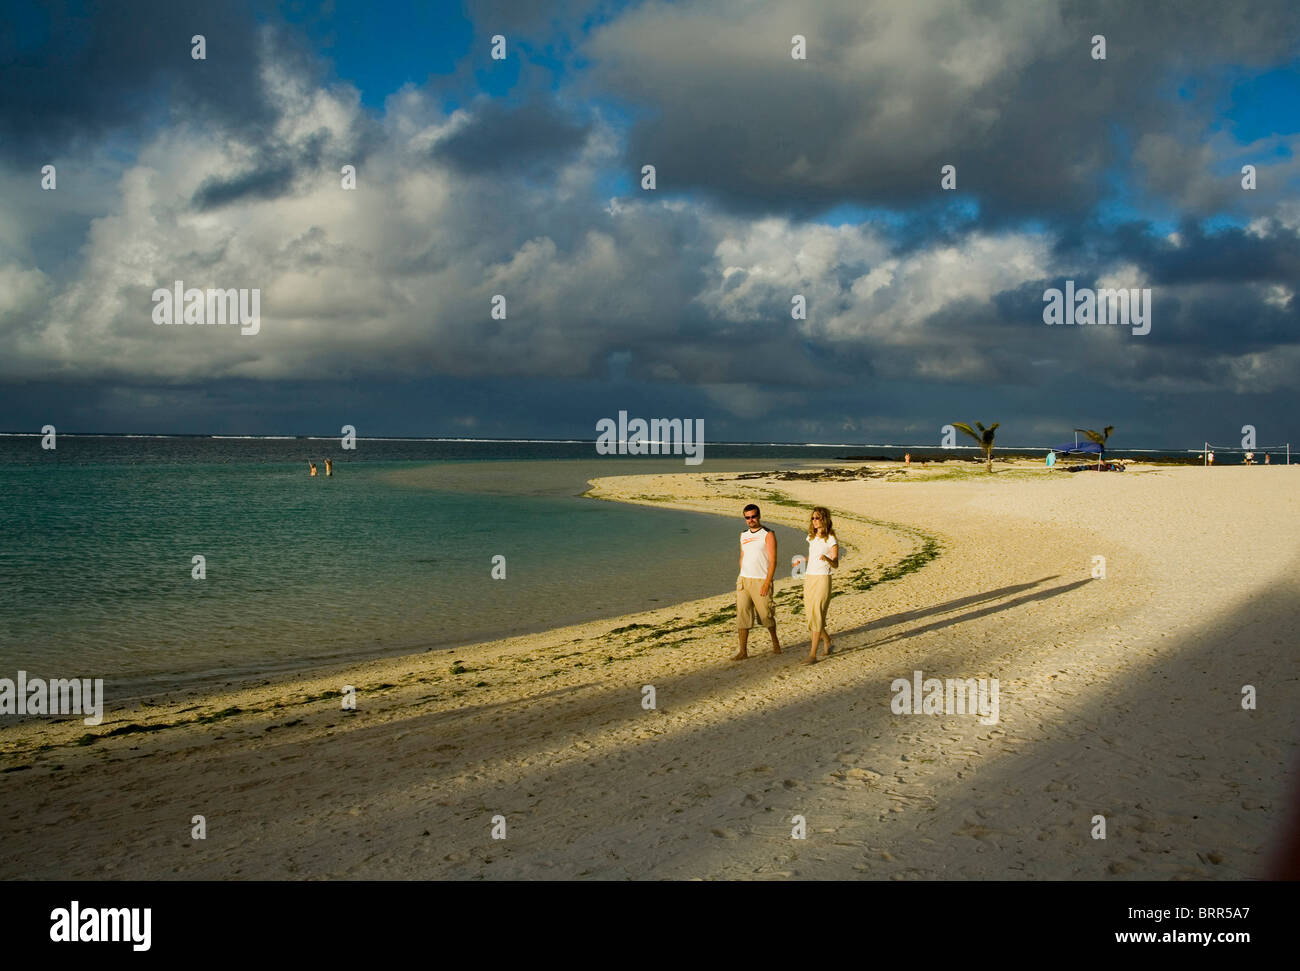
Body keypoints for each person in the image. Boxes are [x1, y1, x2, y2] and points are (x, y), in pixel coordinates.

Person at [733, 504, 780, 660]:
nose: (751, 520)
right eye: (747, 517)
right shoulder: (743, 535)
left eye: (753, 516)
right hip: (744, 581)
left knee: (766, 615)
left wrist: (767, 582)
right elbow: (742, 555)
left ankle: (776, 644)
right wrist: (741, 573)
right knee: (742, 616)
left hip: (761, 580)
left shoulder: (768, 534)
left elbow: (773, 561)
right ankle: (743, 651)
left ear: (758, 516)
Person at [803, 506, 838, 665]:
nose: (814, 521)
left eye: (817, 518)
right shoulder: (811, 537)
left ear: (824, 519)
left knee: (817, 614)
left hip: (823, 578)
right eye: (813, 518)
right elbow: (812, 556)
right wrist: (801, 561)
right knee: (811, 615)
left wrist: (827, 559)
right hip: (809, 577)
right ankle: (828, 641)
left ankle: (812, 655)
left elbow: (836, 563)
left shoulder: (831, 538)